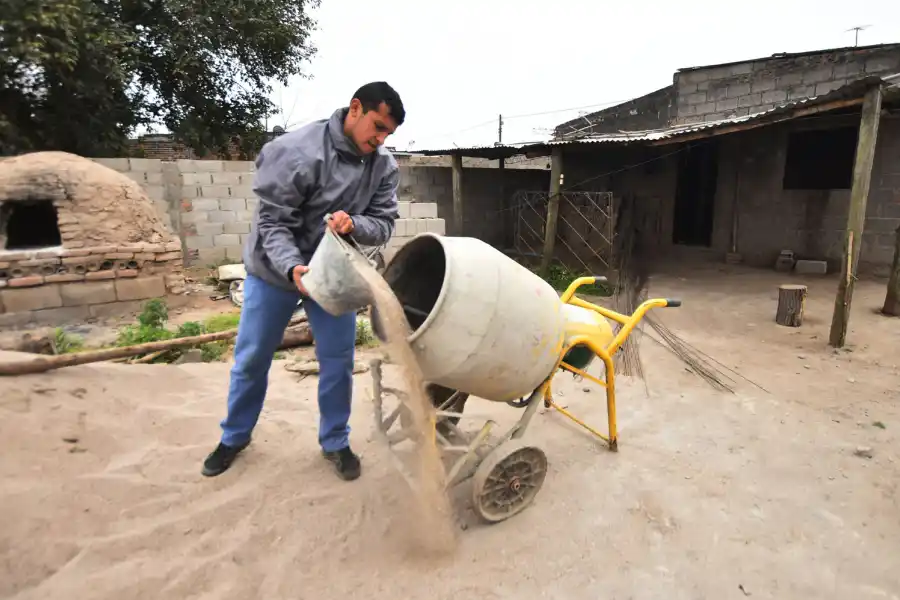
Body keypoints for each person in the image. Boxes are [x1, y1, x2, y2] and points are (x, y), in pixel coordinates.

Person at [201, 82, 405, 481]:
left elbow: (383, 225)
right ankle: (234, 437)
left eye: (388, 134)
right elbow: (272, 222)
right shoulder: (295, 151)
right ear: (355, 108)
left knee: (338, 362)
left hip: (333, 274)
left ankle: (335, 441)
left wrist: (355, 223)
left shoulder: (383, 166)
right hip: (274, 271)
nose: (380, 140)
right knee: (253, 358)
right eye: (377, 127)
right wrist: (293, 268)